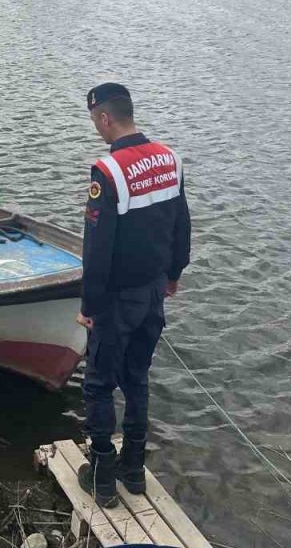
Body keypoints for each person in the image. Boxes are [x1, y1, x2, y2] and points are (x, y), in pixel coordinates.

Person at [77, 83, 191, 508]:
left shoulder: (107, 172)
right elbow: (182, 224)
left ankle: (102, 477)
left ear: (105, 117)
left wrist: (89, 307)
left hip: (116, 300)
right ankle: (134, 470)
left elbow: (97, 249)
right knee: (138, 377)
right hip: (152, 292)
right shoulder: (169, 158)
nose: (96, 129)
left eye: (95, 121)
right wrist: (174, 273)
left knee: (99, 385)